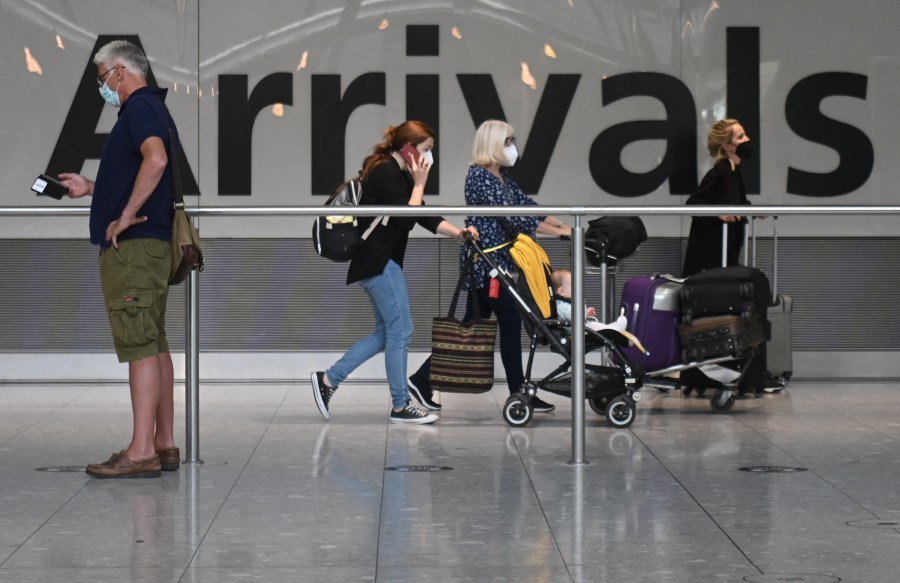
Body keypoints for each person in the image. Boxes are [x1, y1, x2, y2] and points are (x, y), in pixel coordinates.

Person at [58, 40, 180, 478]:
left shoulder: (141, 107)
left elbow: (157, 160)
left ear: (121, 74)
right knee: (154, 341)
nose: (102, 86)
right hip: (149, 247)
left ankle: (141, 449)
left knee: (140, 346)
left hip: (135, 249)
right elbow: (140, 168)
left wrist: (125, 215)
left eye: (103, 77)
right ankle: (163, 443)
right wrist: (92, 189)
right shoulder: (147, 110)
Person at [310, 121, 478, 425]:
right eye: (425, 150)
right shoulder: (385, 172)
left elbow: (423, 215)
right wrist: (419, 183)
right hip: (378, 262)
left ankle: (328, 380)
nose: (428, 158)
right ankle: (400, 405)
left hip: (377, 262)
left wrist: (458, 233)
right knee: (402, 331)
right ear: (408, 148)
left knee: (385, 334)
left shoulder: (396, 174)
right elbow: (406, 218)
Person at [407, 120, 570, 412]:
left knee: (470, 326)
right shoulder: (479, 177)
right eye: (507, 141)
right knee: (509, 322)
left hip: (498, 263)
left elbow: (526, 207)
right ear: (492, 144)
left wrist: (562, 223)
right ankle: (520, 393)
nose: (512, 147)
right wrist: (560, 233)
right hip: (486, 265)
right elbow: (515, 219)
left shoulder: (501, 176)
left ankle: (422, 379)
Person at [682, 119, 755, 277]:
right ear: (727, 146)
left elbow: (738, 201)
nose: (747, 139)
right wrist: (718, 214)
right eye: (740, 137)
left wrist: (755, 211)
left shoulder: (734, 172)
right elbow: (693, 203)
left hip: (727, 250)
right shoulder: (717, 174)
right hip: (711, 256)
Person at [550, 268, 627, 333]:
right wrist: (582, 304)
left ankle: (612, 328)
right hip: (574, 332)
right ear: (561, 291)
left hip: (576, 329)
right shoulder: (562, 306)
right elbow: (577, 317)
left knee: (593, 325)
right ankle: (613, 330)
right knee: (592, 326)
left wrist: (586, 312)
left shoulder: (562, 303)